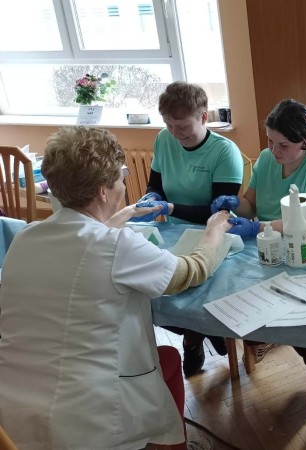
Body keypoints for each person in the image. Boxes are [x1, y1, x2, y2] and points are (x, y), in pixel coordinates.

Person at [0, 126, 234, 449]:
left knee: (166, 359)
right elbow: (190, 271)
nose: (124, 185)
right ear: (102, 192)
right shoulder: (116, 246)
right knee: (159, 368)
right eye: (121, 178)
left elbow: (83, 240)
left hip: (12, 412)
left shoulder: (25, 238)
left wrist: (122, 215)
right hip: (85, 420)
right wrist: (214, 231)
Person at [210, 99, 306, 399]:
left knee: (299, 312)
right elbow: (250, 204)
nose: (274, 151)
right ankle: (260, 337)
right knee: (230, 291)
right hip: (265, 244)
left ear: (304, 140)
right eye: (270, 141)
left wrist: (258, 227)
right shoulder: (265, 159)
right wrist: (234, 203)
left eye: (283, 145)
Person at [133, 81, 245, 377]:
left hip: (213, 235)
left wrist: (169, 208)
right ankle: (202, 332)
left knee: (192, 294)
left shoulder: (224, 152)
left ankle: (193, 338)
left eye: (182, 126)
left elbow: (217, 213)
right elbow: (155, 185)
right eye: (169, 125)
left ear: (203, 117)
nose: (175, 133)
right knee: (153, 294)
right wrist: (152, 198)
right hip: (172, 233)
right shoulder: (164, 139)